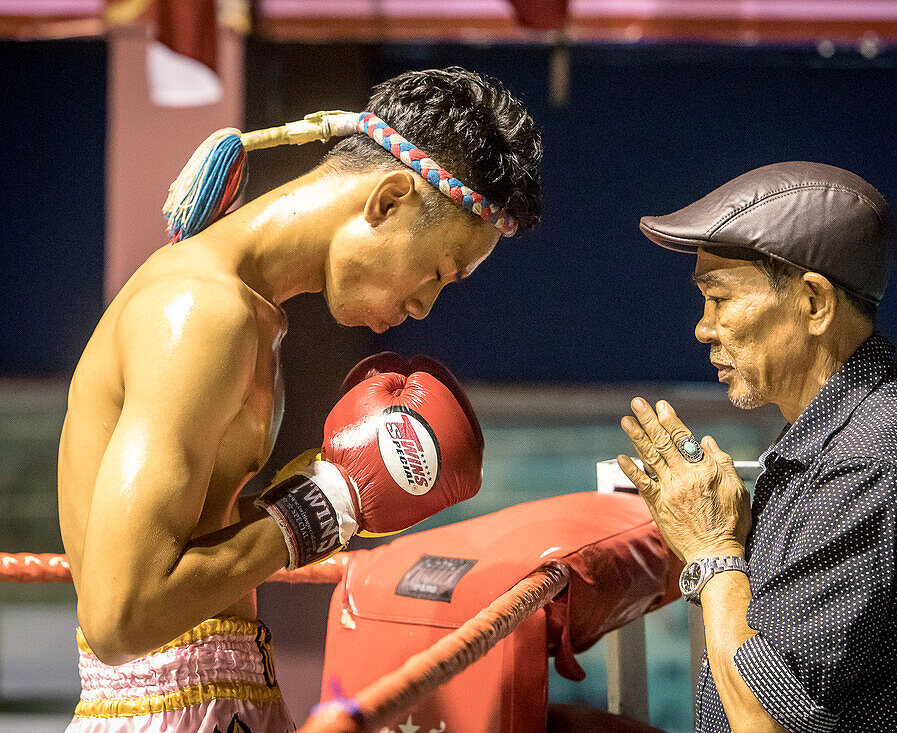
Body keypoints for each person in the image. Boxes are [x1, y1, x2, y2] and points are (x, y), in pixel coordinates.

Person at [57, 67, 542, 732]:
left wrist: (318, 496)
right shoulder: (200, 311)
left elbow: (195, 538)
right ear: (388, 199)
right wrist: (323, 507)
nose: (424, 305)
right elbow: (119, 616)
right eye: (437, 271)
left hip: (224, 690)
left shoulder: (255, 318)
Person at [617, 162, 897, 732]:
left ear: (813, 304)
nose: (703, 329)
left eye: (720, 299)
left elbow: (766, 722)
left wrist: (712, 553)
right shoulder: (840, 440)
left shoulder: (867, 460)